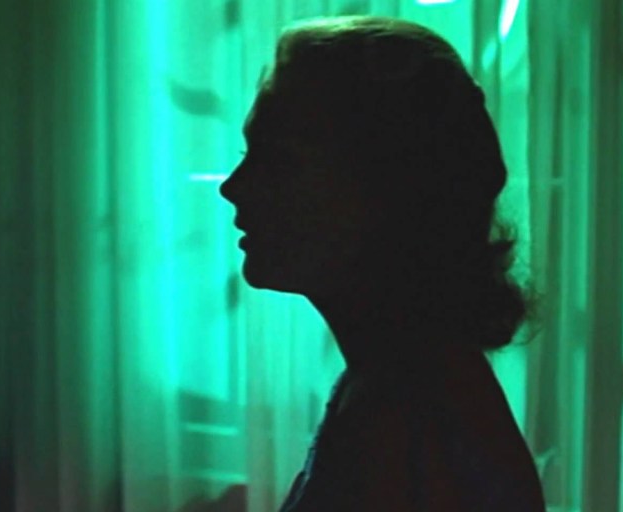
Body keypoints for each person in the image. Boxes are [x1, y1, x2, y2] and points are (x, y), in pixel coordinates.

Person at [218, 16, 546, 511]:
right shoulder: (398, 385)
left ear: (387, 190)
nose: (234, 187)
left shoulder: (410, 418)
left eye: (279, 160)